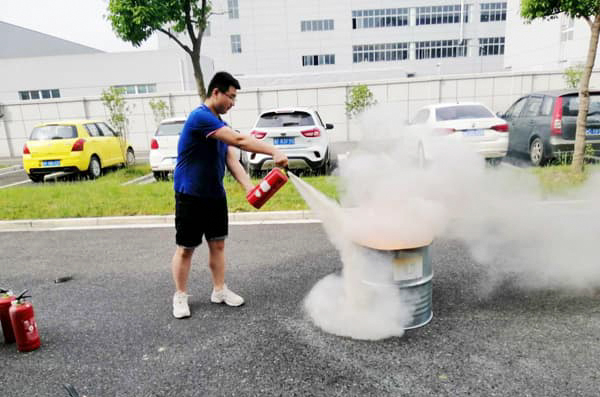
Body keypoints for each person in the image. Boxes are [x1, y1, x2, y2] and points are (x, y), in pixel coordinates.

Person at [171, 71, 288, 319]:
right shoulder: (200, 118)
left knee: (218, 244)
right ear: (216, 92)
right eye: (231, 97)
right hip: (190, 195)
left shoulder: (219, 124)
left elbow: (230, 158)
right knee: (186, 248)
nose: (233, 103)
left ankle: (219, 290)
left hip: (214, 194)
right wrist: (273, 150)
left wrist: (249, 187)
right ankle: (180, 295)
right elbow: (239, 140)